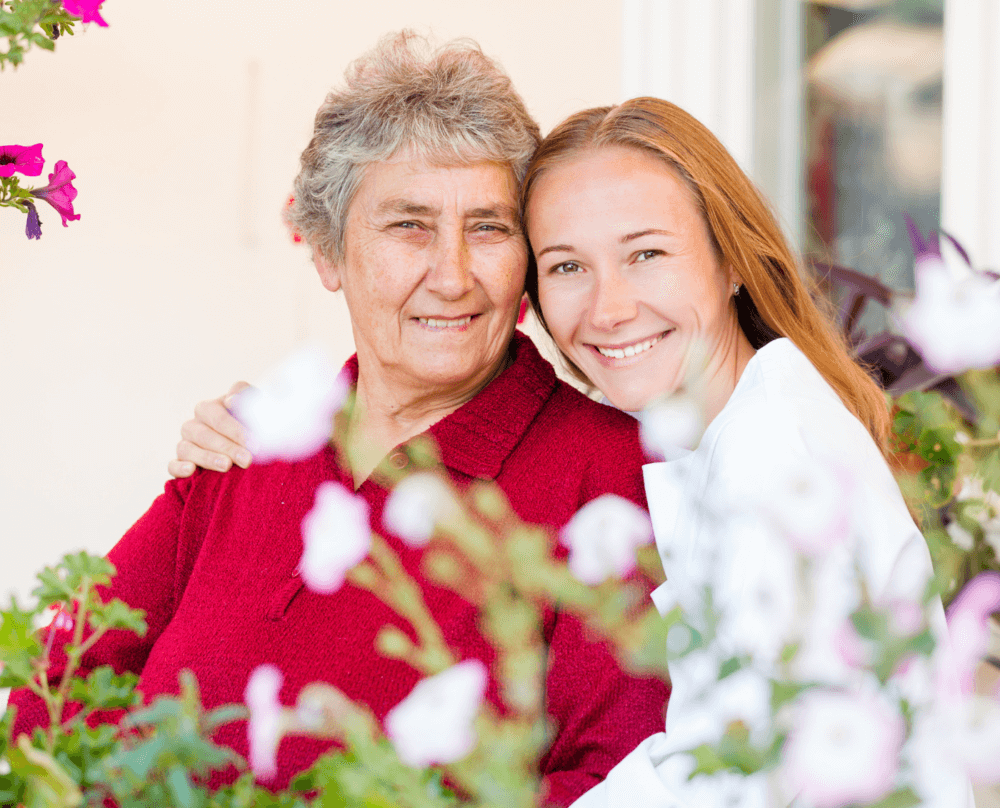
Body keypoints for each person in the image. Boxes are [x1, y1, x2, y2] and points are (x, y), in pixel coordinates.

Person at [179, 97, 971, 806]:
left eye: (647, 254)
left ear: (731, 257)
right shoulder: (710, 444)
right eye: (567, 267)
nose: (610, 307)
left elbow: (737, 776)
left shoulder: (781, 457)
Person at [8, 35, 670, 806]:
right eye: (409, 226)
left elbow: (616, 786)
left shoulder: (611, 479)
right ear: (327, 251)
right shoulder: (247, 442)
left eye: (488, 227)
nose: (452, 275)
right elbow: (57, 689)